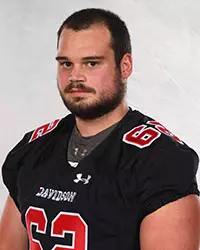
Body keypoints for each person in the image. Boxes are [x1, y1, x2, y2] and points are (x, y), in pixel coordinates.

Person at [0, 8, 199, 250]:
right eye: (66, 64)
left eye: (91, 63)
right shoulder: (32, 150)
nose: (75, 76)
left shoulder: (159, 159)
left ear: (124, 66)